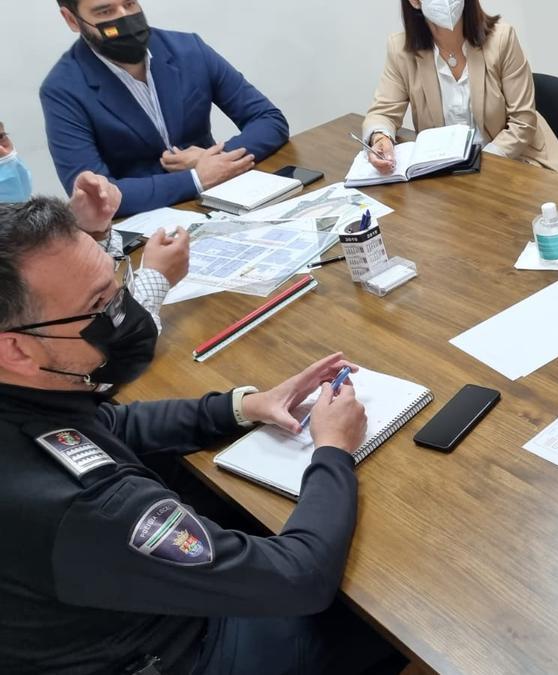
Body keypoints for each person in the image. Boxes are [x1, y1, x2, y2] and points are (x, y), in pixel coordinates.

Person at [0, 198, 401, 674]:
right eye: (98, 307)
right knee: (387, 614)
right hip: (182, 652)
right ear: (16, 349)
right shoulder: (80, 504)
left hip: (109, 614)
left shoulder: (28, 396)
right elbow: (299, 578)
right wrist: (333, 449)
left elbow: (107, 426)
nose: (125, 313)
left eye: (117, 287)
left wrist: (245, 405)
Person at [41, 0, 290, 217]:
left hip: (224, 202)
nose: (125, 18)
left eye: (129, 4)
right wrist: (196, 178)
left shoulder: (188, 49)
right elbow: (95, 194)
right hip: (143, 227)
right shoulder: (63, 90)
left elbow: (269, 120)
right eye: (105, 12)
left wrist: (216, 160)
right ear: (72, 19)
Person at [0, 120, 187, 331]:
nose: (2, 153)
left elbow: (90, 287)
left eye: (1, 137)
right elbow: (101, 338)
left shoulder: (20, 219)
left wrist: (92, 230)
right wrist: (157, 276)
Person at [362, 0, 558, 175]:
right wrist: (380, 137)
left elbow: (523, 121)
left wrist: (479, 164)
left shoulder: (502, 39)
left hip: (513, 161)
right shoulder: (401, 50)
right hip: (447, 174)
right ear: (415, 1)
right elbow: (382, 113)